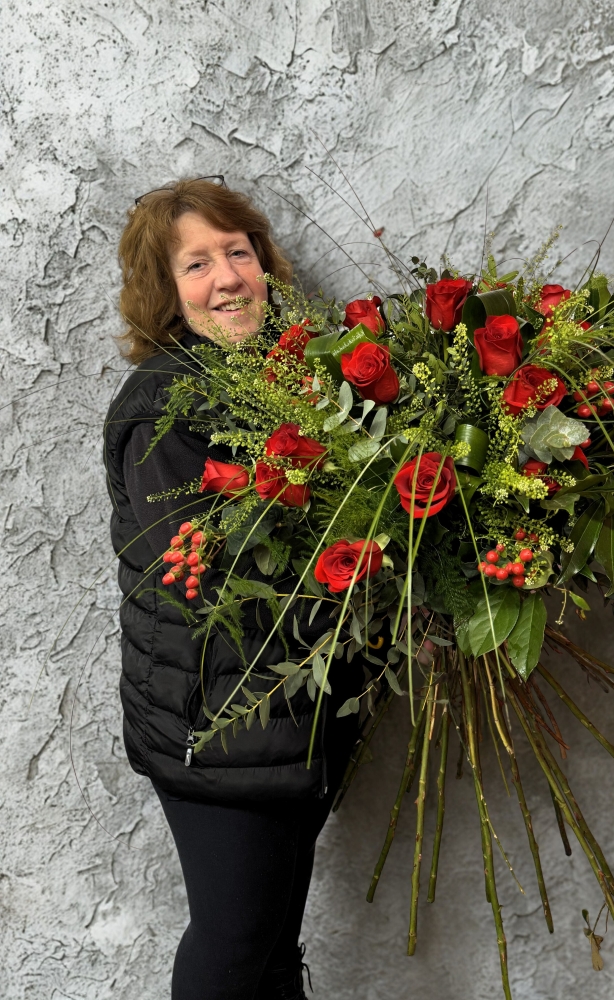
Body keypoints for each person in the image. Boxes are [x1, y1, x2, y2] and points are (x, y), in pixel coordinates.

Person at [104, 177, 364, 1000]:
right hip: (218, 730)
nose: (226, 277)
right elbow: (202, 573)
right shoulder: (162, 411)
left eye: (238, 252)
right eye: (196, 264)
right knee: (234, 943)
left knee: (274, 946)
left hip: (300, 722)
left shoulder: (296, 374)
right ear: (167, 294)